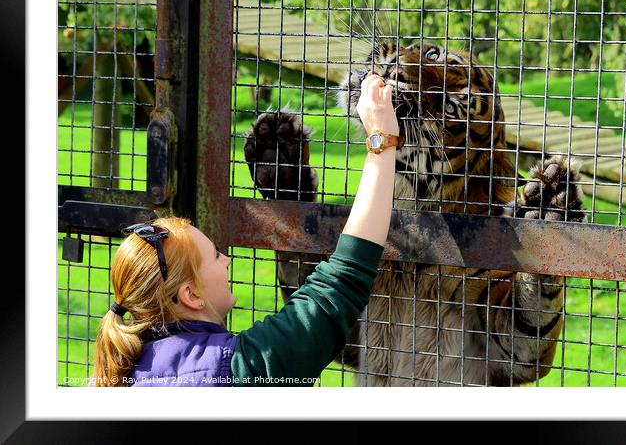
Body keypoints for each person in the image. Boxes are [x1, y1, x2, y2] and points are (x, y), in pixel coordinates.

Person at [91, 74, 398, 387]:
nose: (226, 258)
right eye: (214, 256)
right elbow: (344, 280)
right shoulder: (240, 372)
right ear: (191, 294)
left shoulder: (113, 377)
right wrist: (382, 137)